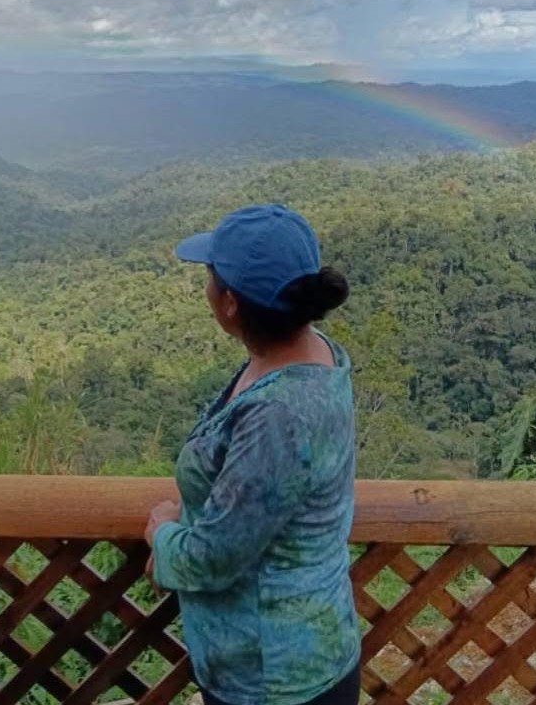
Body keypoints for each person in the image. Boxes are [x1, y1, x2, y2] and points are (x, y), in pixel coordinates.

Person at [145, 204, 360, 705]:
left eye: (211, 278)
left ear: (230, 305)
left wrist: (163, 533)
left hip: (274, 679)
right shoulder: (315, 352)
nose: (207, 288)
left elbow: (214, 559)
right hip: (311, 651)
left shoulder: (277, 417)